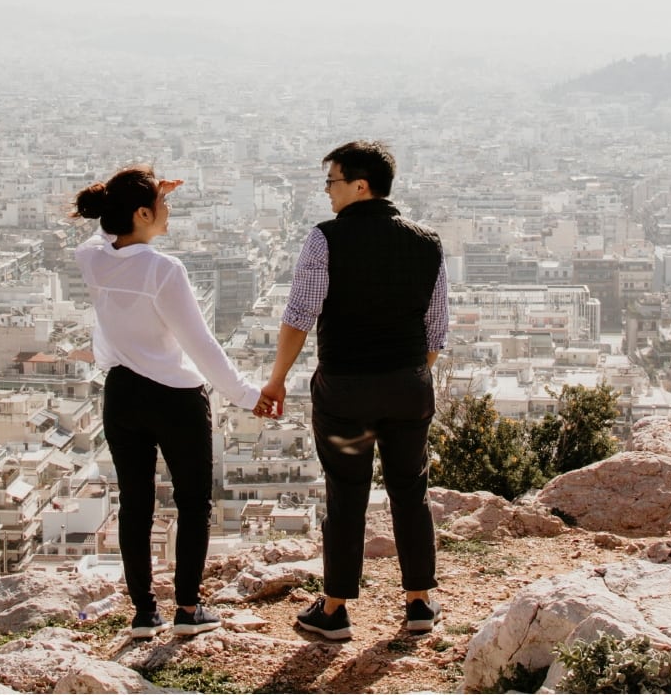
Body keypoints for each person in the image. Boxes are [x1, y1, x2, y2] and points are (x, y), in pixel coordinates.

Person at [257, 140, 448, 641]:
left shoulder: (325, 239)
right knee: (411, 490)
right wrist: (406, 373)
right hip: (409, 388)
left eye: (332, 182)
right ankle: (419, 604)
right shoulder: (427, 241)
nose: (327, 193)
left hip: (345, 393)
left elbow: (299, 316)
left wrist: (276, 379)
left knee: (347, 494)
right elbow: (436, 330)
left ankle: (335, 608)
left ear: (360, 185)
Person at [73, 165, 271, 639]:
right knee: (192, 503)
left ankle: (144, 613)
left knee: (135, 504)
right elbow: (201, 345)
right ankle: (187, 608)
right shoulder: (165, 270)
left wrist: (142, 195)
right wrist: (246, 395)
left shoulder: (92, 261)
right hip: (175, 397)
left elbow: (100, 238)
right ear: (142, 213)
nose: (169, 211)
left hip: (122, 393)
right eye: (162, 205)